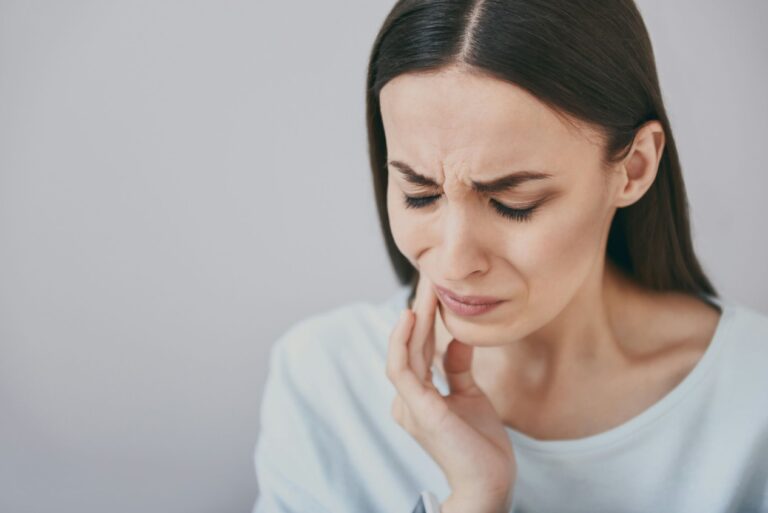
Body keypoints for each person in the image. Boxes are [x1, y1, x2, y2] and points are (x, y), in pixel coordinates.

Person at [252, 0, 768, 512]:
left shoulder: (753, 398)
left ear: (633, 168)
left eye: (512, 203)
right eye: (419, 194)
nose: (454, 263)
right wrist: (476, 499)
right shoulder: (323, 379)